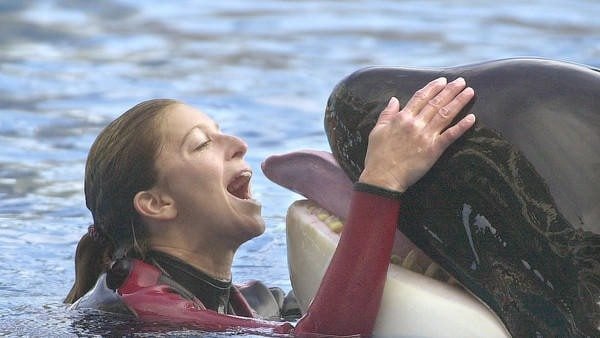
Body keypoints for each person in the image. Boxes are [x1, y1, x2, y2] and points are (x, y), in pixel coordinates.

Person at [65, 77, 475, 336]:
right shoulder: (145, 312)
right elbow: (325, 337)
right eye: (202, 144)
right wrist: (382, 180)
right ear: (157, 203)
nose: (238, 144)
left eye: (221, 132)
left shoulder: (251, 302)